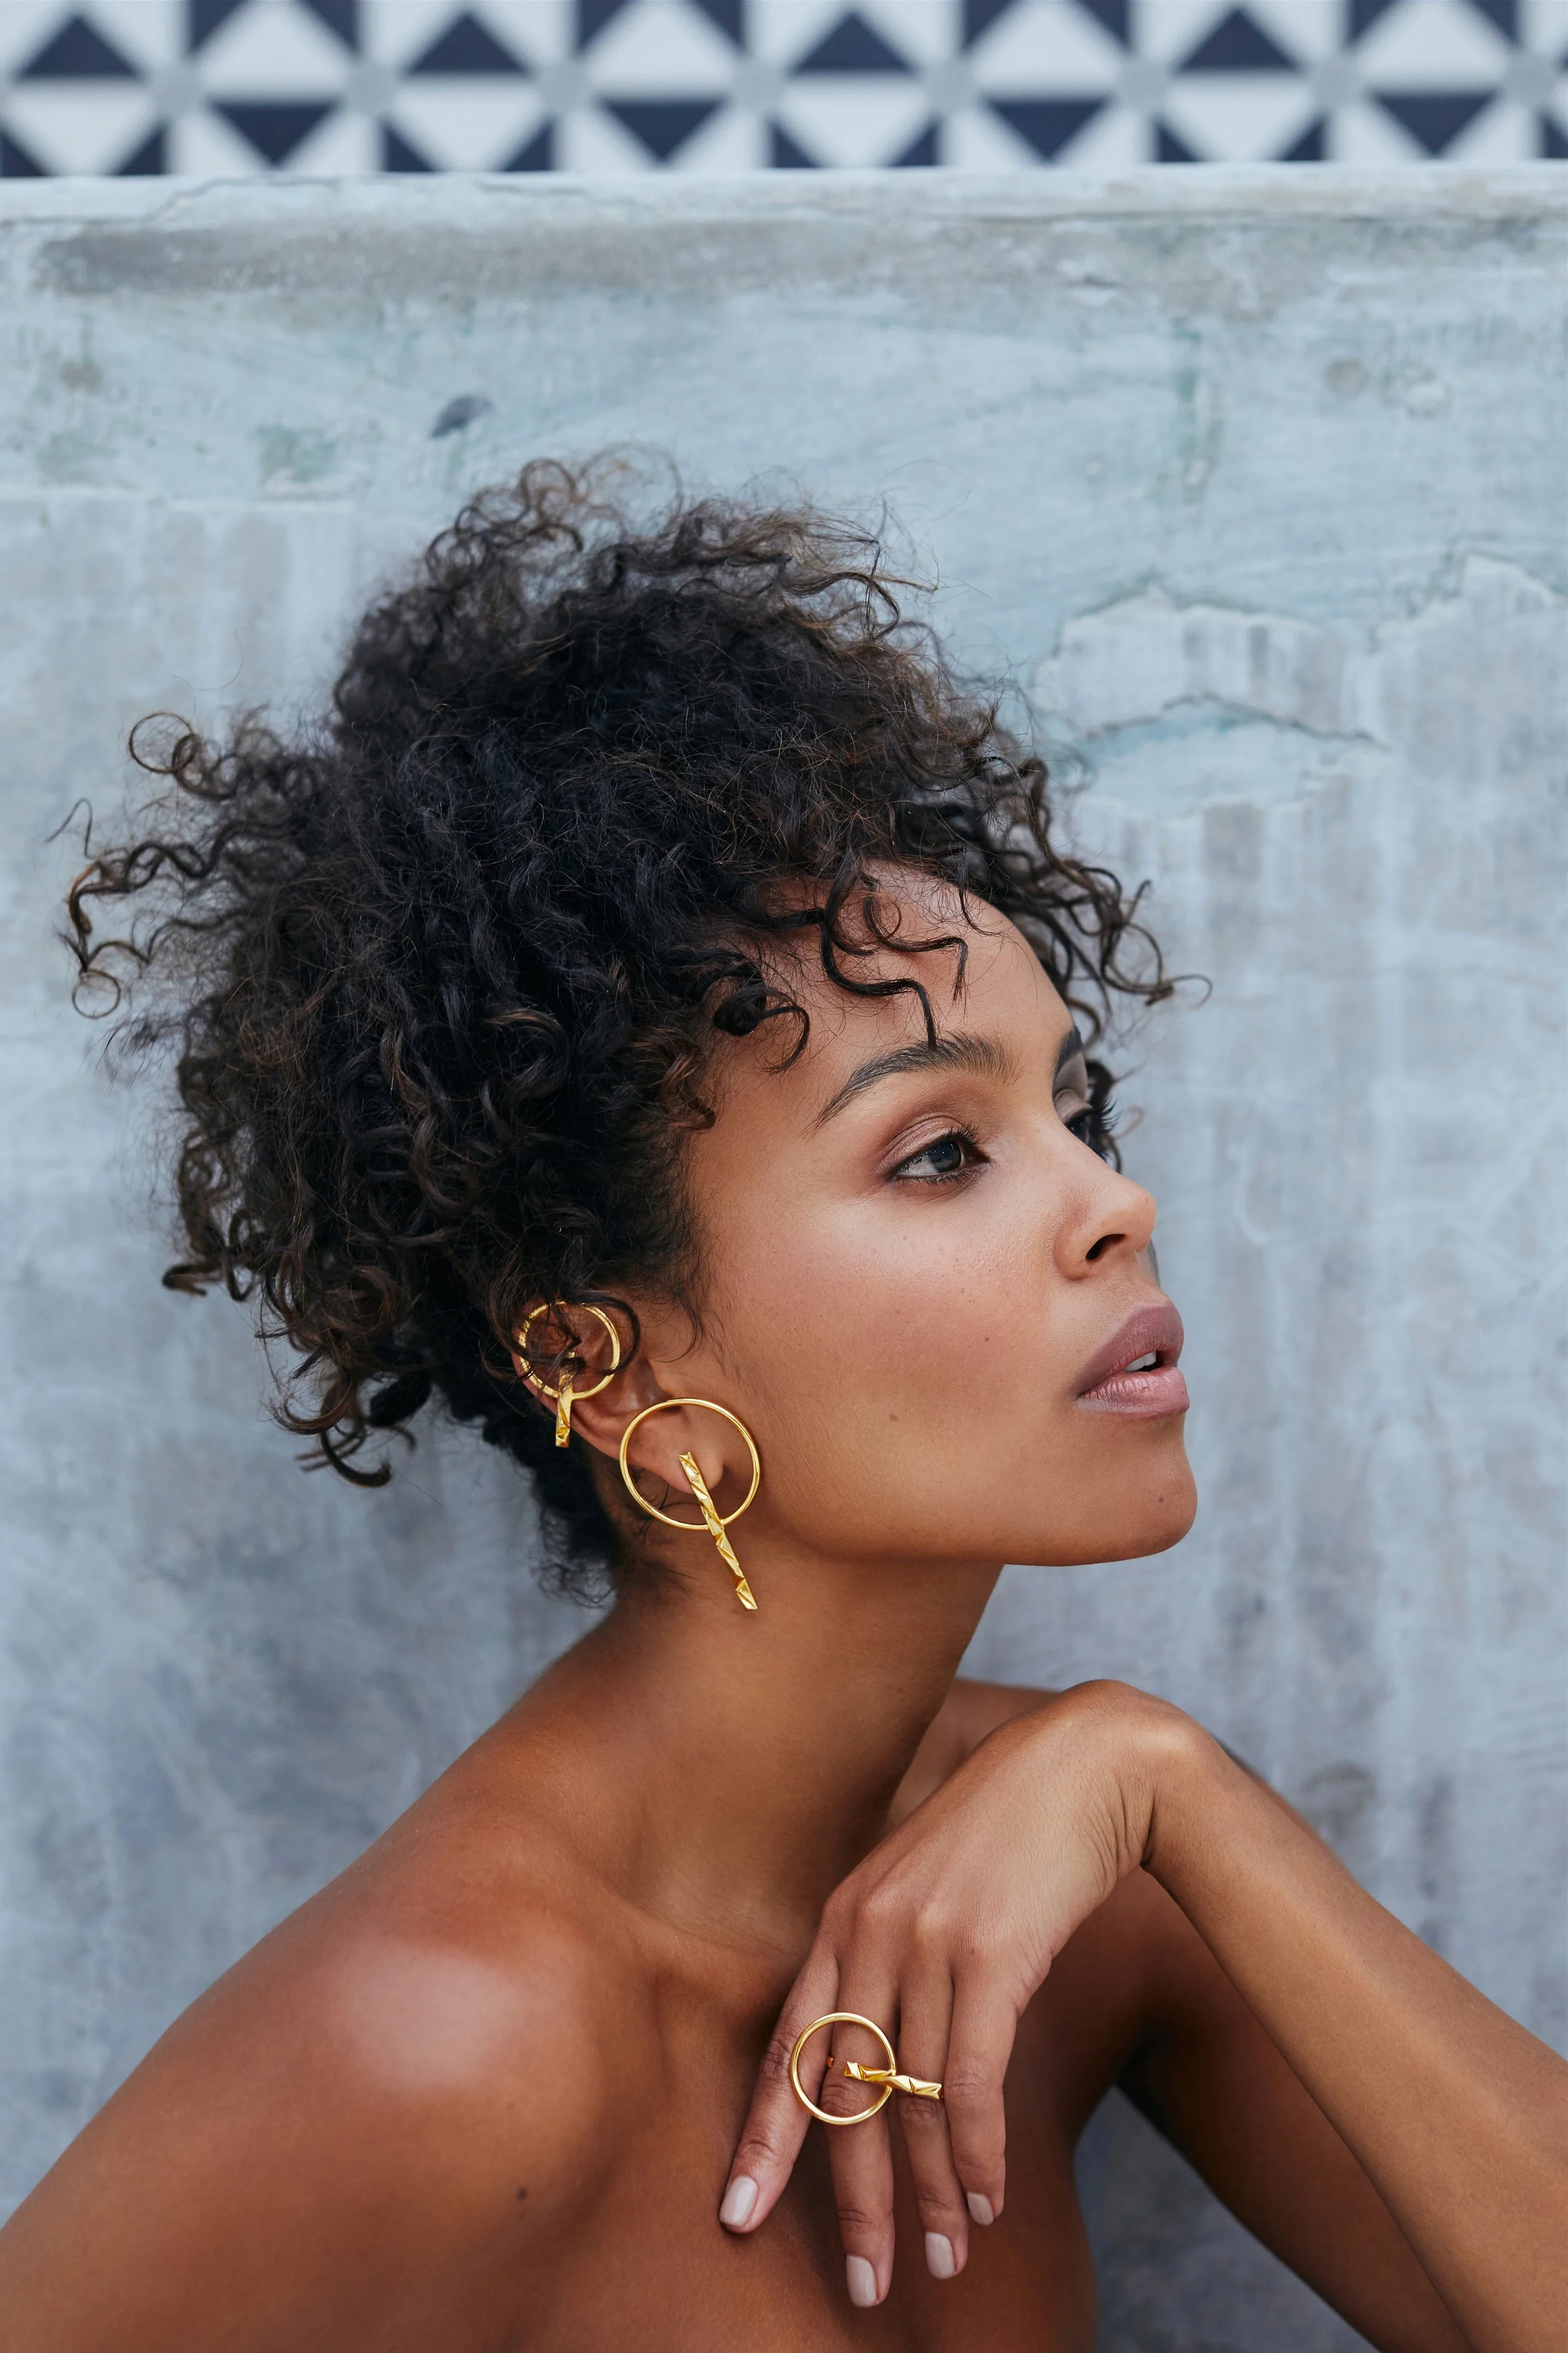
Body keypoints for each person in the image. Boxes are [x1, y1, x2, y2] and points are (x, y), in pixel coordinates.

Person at [4, 463, 1561, 2351]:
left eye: (1065, 1106)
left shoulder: (1067, 1873)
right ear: (609, 1364)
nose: (1110, 1200)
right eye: (935, 1153)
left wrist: (1171, 1788)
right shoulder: (447, 2042)